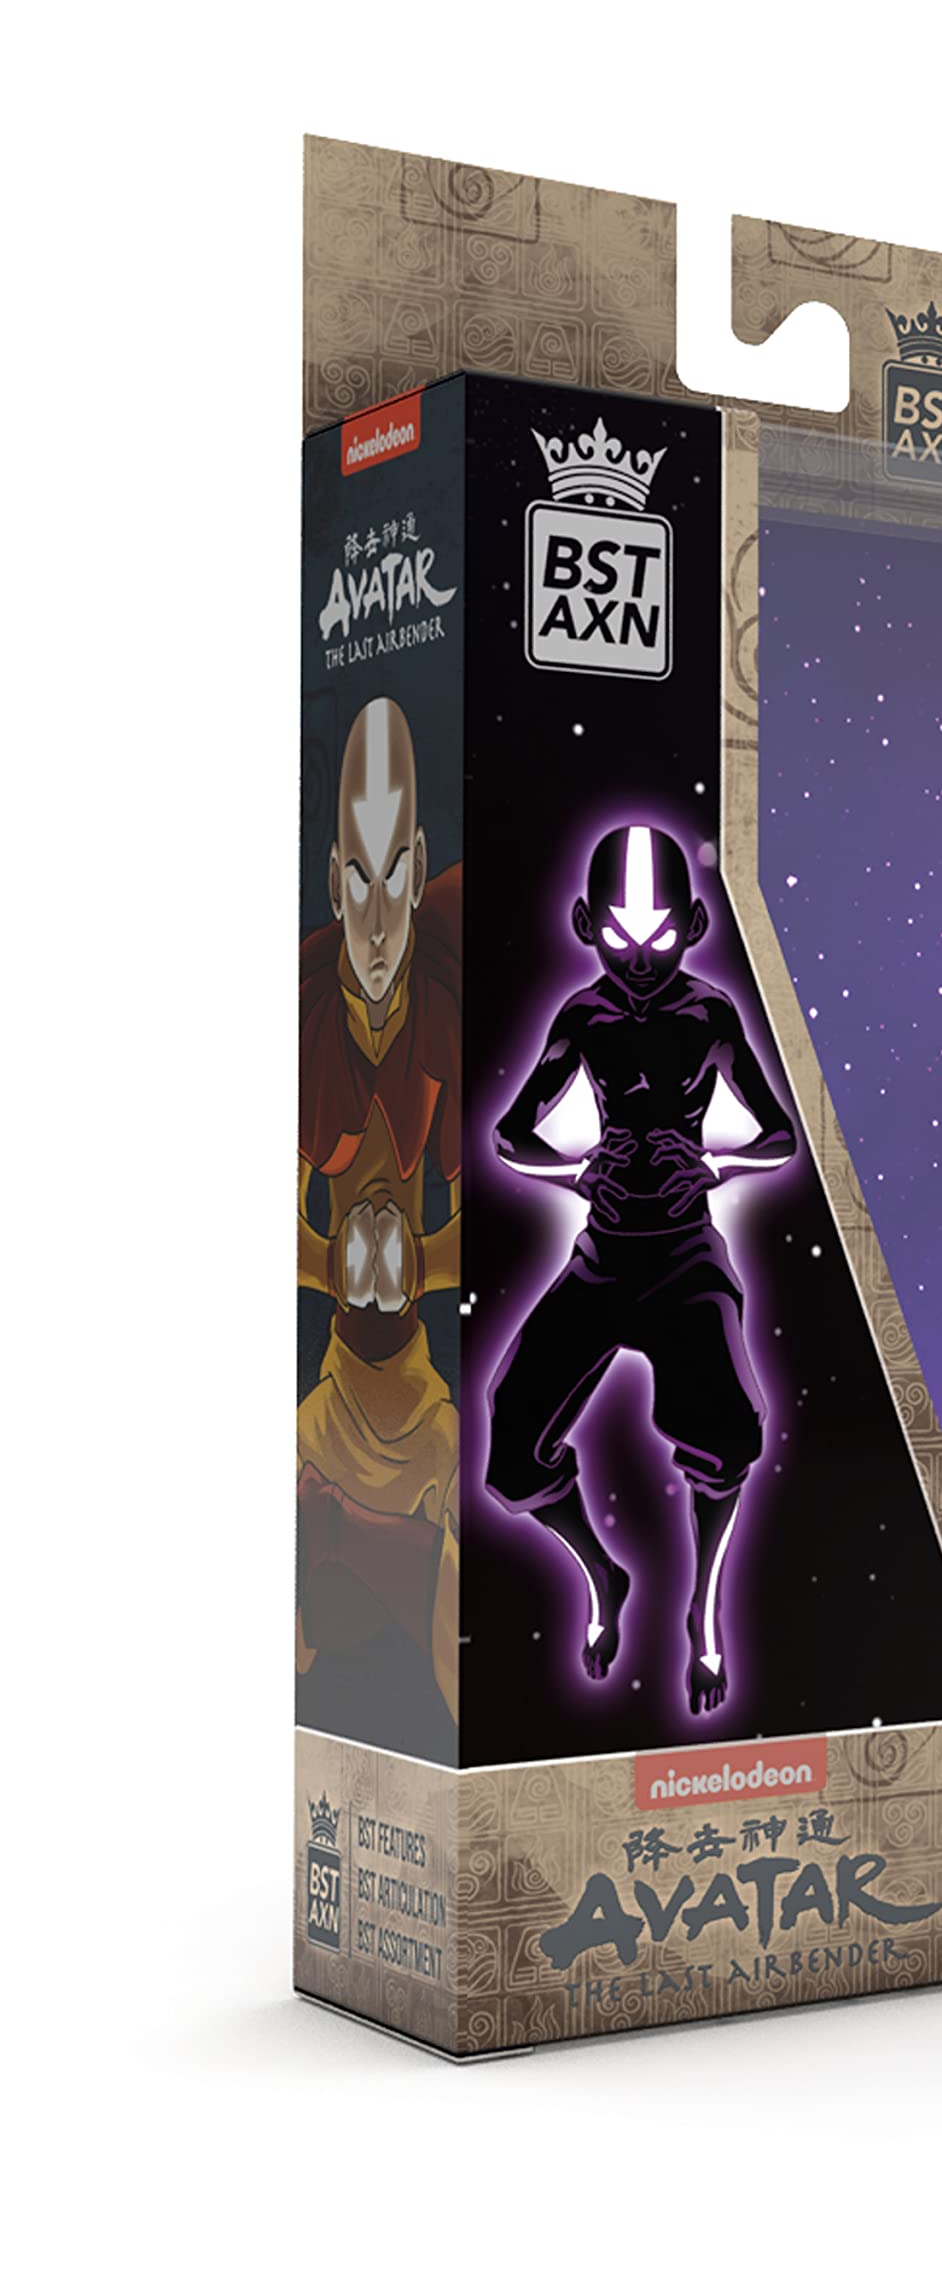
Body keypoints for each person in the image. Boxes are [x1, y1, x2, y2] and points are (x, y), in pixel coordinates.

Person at [486, 823, 796, 1715]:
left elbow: (779, 1135)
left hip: (686, 1257)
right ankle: (602, 1576)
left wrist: (717, 1164)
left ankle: (703, 1621)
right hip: (602, 1256)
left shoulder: (711, 1015)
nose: (640, 957)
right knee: (512, 1443)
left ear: (693, 926)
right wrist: (577, 1171)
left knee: (728, 1437)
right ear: (586, 925)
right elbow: (510, 1135)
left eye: (659, 935)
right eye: (620, 935)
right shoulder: (582, 1018)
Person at [296, 696, 463, 1722]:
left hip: (420, 1396)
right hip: (332, 1398)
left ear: (421, 862)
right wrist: (338, 1262)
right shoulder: (300, 1004)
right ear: (332, 882)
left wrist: (413, 1266)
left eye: (395, 876)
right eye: (357, 882)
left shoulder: (449, 994)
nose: (375, 922)